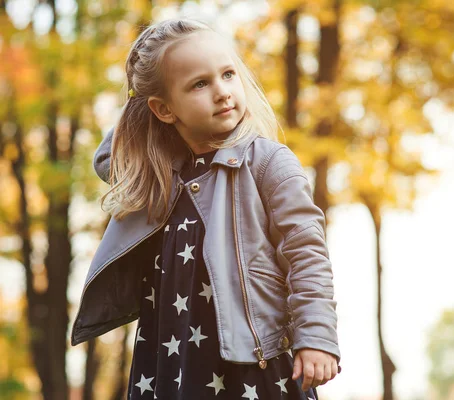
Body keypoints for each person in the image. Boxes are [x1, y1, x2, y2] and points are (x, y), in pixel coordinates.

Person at [70, 17, 341, 399]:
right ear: (164, 109)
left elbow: (307, 253)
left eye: (228, 74)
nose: (222, 92)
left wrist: (316, 336)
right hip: (173, 364)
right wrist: (141, 98)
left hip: (253, 364)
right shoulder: (161, 175)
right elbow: (108, 156)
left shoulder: (266, 163)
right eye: (199, 83)